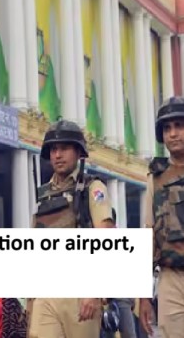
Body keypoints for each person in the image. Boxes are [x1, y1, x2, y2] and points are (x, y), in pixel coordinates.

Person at [28, 120, 114, 338]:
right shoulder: (44, 194)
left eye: (64, 148)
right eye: (53, 149)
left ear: (78, 152)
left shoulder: (93, 188)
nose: (57, 155)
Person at [139, 96, 184, 338]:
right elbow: (148, 234)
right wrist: (143, 294)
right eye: (167, 128)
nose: (172, 134)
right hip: (171, 279)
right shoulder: (156, 177)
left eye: (179, 126)